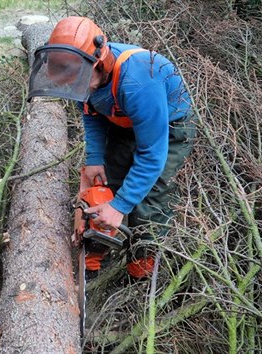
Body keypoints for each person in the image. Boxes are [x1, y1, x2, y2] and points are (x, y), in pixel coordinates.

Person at [28, 16, 194, 279]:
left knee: (150, 196)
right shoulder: (81, 71)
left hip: (167, 127)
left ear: (99, 62)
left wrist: (121, 206)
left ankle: (141, 269)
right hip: (121, 118)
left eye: (79, 79)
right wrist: (95, 157)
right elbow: (90, 111)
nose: (75, 85)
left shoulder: (139, 83)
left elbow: (152, 155)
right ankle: (94, 257)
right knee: (106, 185)